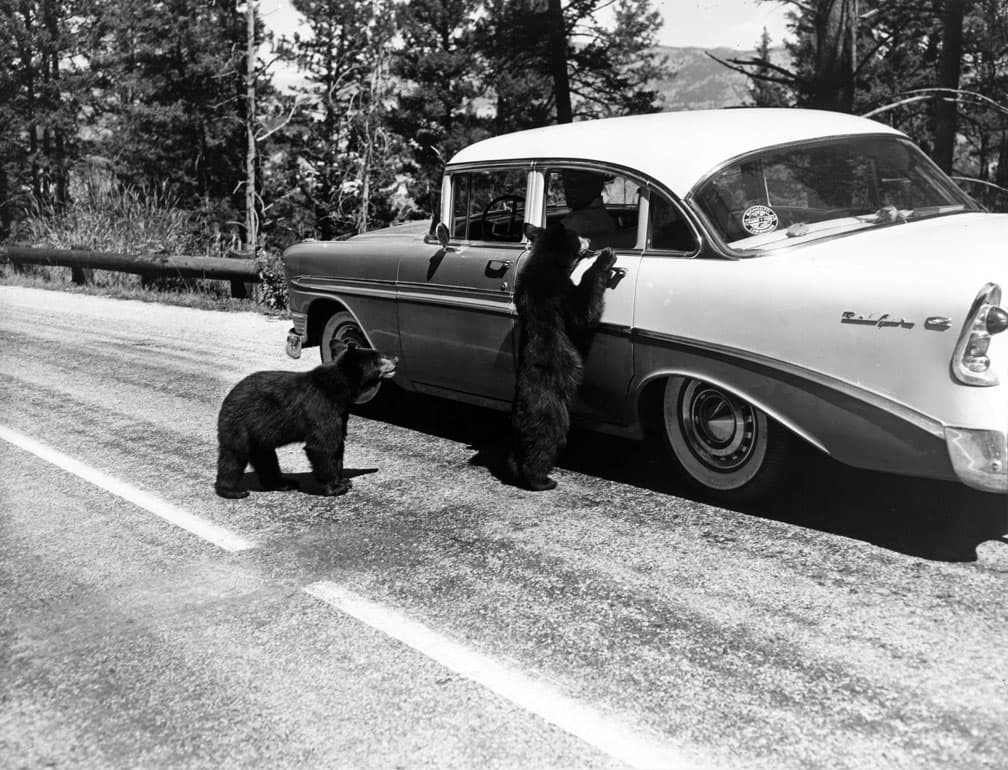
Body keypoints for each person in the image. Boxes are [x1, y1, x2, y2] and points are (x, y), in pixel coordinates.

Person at [560, 170, 616, 236]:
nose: (566, 189)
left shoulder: (573, 223)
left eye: (573, 182)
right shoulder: (605, 219)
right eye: (566, 182)